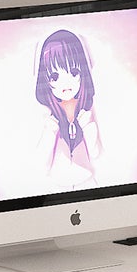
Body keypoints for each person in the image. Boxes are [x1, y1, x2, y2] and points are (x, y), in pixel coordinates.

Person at [35, 30, 101, 184]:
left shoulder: (88, 109)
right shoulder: (46, 114)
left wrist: (89, 129)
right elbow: (40, 162)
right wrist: (49, 133)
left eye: (73, 72)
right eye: (54, 77)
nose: (65, 83)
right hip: (55, 189)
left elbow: (96, 153)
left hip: (89, 184)